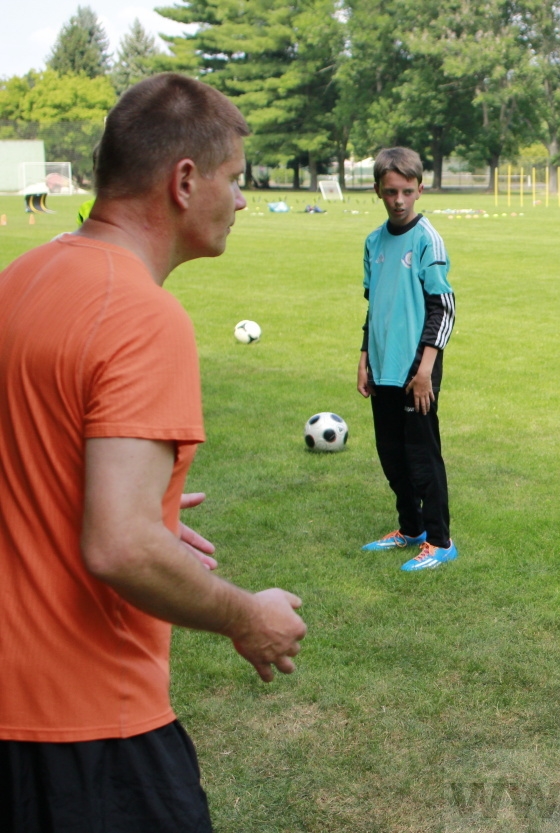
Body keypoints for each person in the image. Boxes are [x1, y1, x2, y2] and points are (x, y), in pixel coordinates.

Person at [0, 73, 307, 831]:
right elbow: (121, 546)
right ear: (183, 181)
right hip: (89, 726)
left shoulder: (21, 278)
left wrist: (132, 504)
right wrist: (246, 615)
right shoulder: (143, 316)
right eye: (235, 179)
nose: (241, 199)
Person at [356, 147, 458, 571]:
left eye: (407, 191)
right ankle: (410, 527)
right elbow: (373, 305)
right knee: (391, 455)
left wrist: (425, 371)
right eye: (390, 191)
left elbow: (444, 307)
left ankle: (439, 540)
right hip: (382, 366)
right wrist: (363, 357)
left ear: (419, 190)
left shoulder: (425, 239)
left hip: (417, 369)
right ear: (378, 190)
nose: (398, 200)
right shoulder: (373, 242)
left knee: (421, 457)